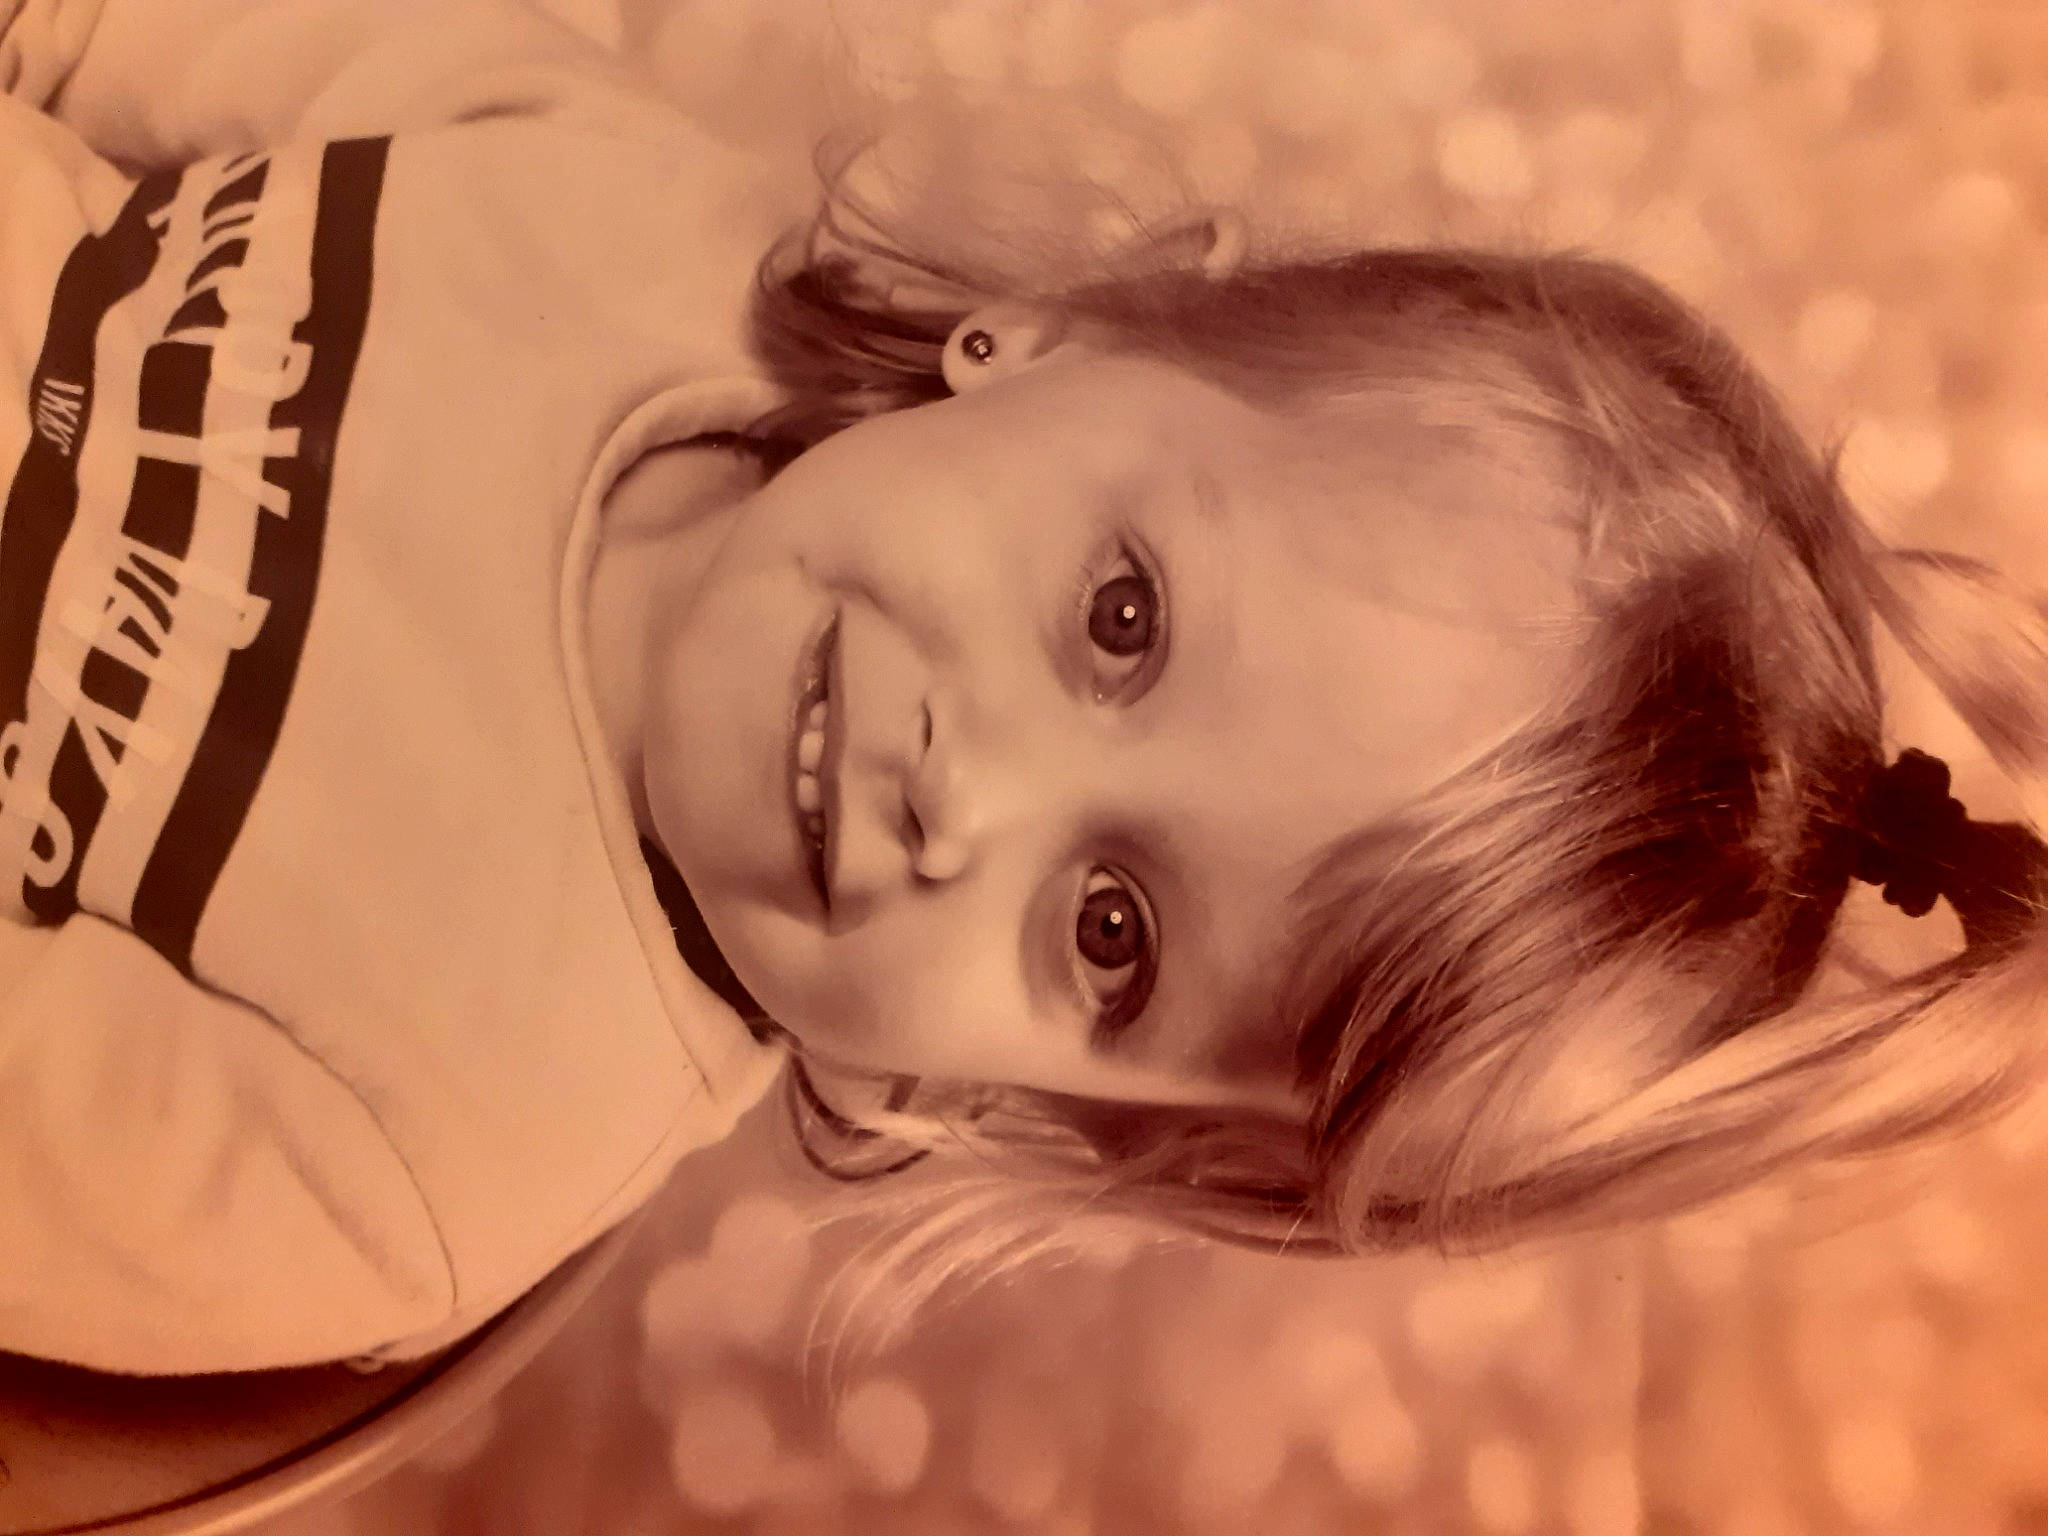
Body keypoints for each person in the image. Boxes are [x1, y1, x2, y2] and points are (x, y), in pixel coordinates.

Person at [3, 0, 2043, 1378]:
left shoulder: (418, 1153)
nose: (958, 789)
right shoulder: (607, 202)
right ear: (1065, 338)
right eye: (1120, 620)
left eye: (1108, 930)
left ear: (1030, 1102)